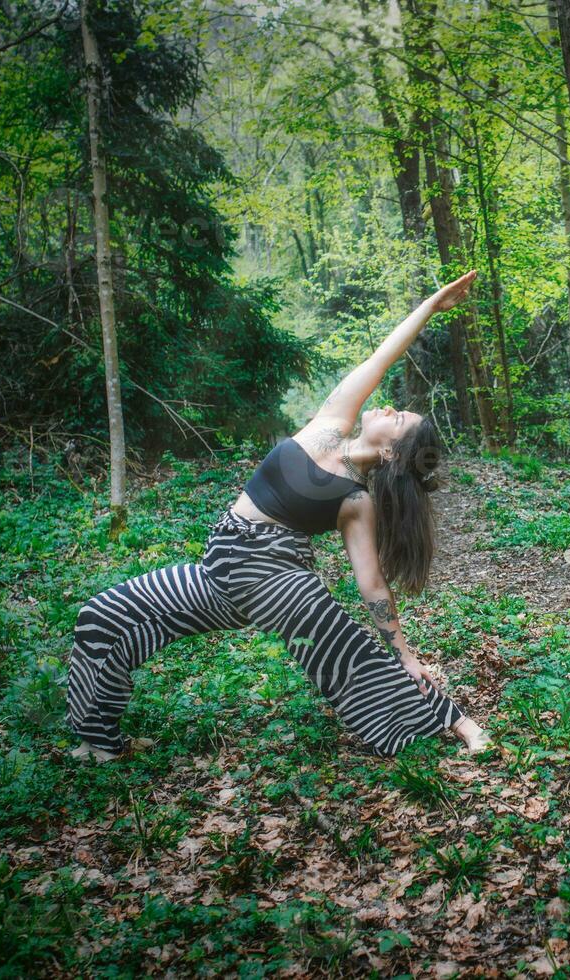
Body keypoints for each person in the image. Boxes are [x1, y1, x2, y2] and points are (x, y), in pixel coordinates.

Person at [67, 271, 491, 760]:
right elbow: (380, 359)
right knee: (101, 615)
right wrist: (430, 305)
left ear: (395, 455)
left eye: (399, 420)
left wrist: (406, 653)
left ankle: (458, 722)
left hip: (275, 577)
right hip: (222, 570)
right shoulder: (330, 425)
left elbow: (372, 585)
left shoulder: (357, 502)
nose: (391, 407)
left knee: (346, 651)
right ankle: (99, 742)